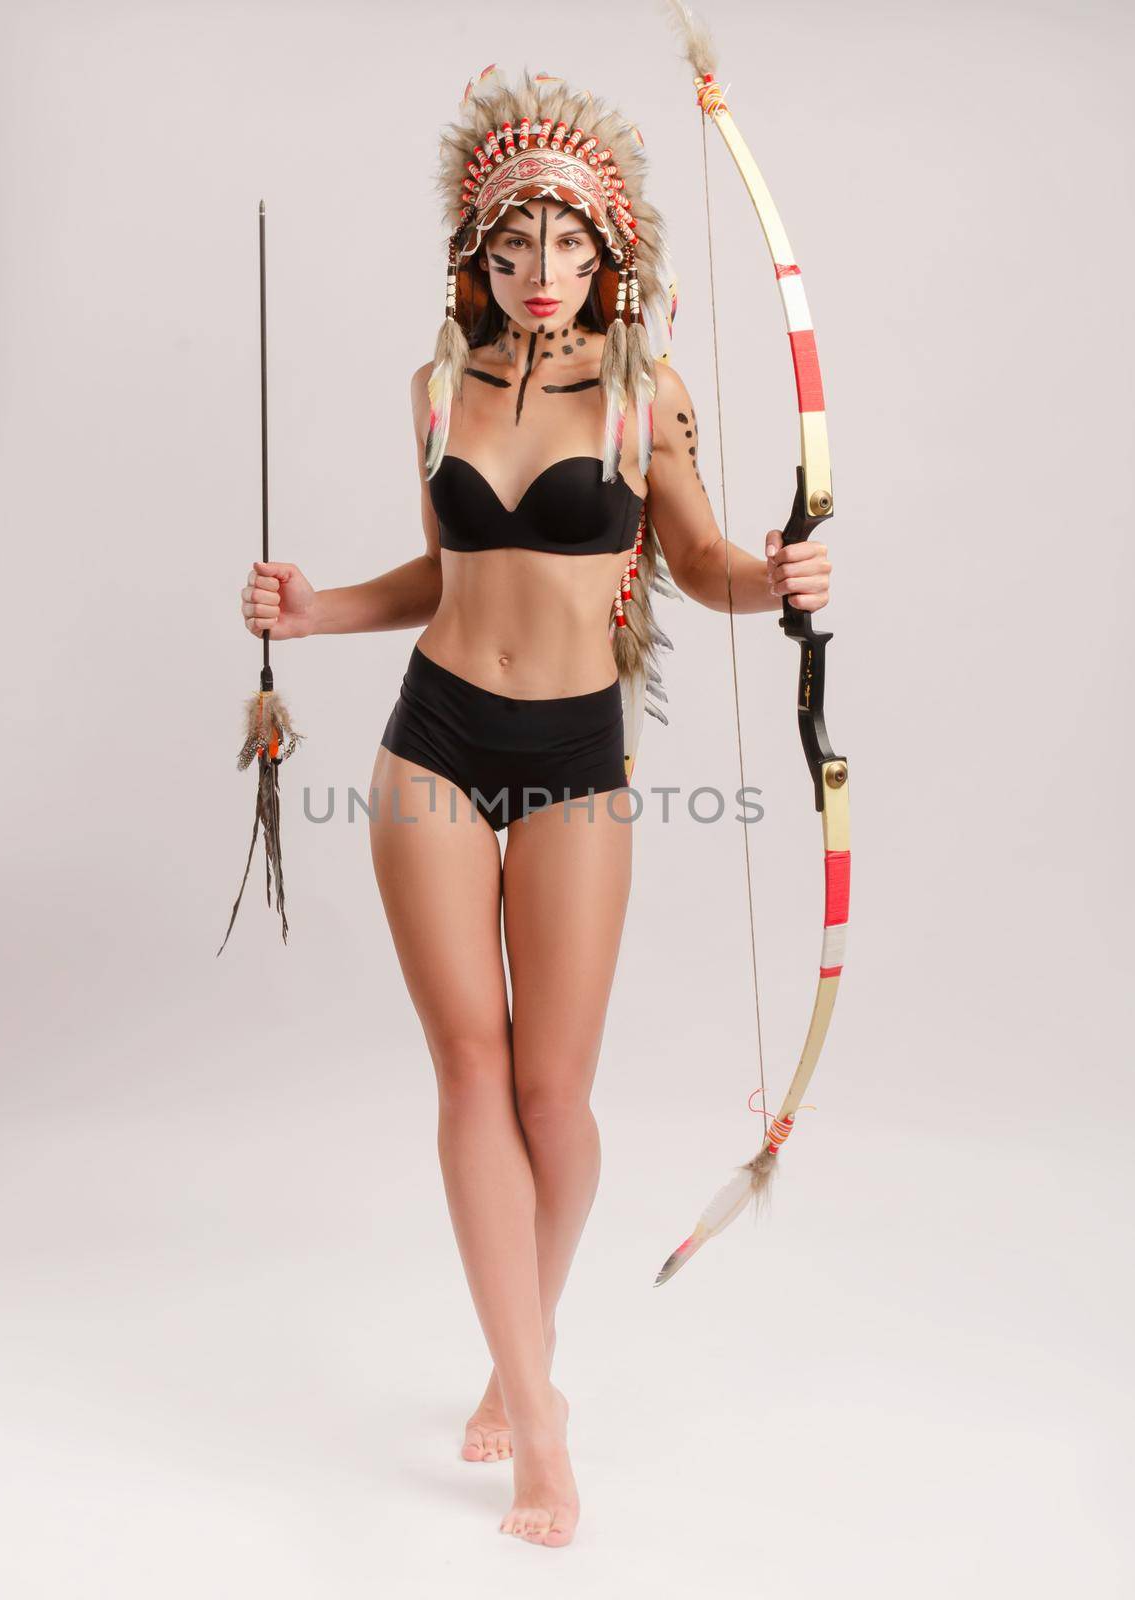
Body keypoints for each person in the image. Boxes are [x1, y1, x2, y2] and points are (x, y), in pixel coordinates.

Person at [237, 69, 831, 1549]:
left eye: (565, 249)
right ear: (476, 252)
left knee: (555, 1098)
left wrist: (779, 582)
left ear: (611, 248)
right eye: (512, 249)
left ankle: (522, 1344)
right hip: (433, 738)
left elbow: (698, 565)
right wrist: (315, 618)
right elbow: (446, 578)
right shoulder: (438, 389)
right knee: (468, 1072)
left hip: (578, 751)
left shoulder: (645, 393)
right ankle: (537, 1425)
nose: (540, 276)